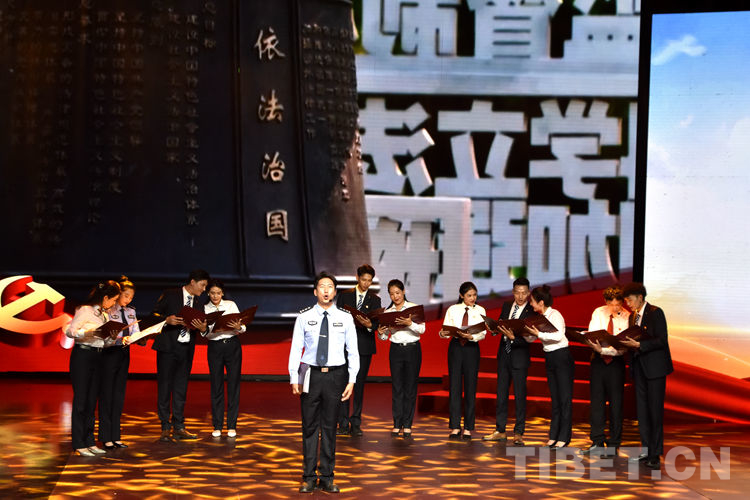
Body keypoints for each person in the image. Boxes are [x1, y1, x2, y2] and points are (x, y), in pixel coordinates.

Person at [289, 271, 359, 493]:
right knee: (309, 427)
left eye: (330, 287)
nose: (326, 290)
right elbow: (296, 349)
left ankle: (327, 476)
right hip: (310, 374)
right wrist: (294, 377)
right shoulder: (304, 317)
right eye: (322, 286)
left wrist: (352, 379)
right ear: (315, 291)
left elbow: (353, 351)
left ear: (335, 292)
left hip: (336, 376)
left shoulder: (345, 317)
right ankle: (309, 477)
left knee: (330, 427)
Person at [151, 269, 210, 441]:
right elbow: (153, 315)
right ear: (192, 282)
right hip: (168, 347)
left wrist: (202, 328)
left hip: (186, 349)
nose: (204, 289)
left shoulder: (199, 303)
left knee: (180, 388)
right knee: (164, 386)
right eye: (202, 285)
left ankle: (179, 426)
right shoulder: (171, 294)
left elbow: (202, 327)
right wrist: (166, 320)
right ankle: (165, 427)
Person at [620, 282, 673, 470]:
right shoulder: (633, 316)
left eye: (630, 300)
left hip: (655, 369)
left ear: (640, 297)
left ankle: (655, 454)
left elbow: (662, 340)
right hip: (639, 368)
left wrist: (640, 345)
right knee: (642, 411)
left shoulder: (655, 312)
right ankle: (646, 449)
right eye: (626, 301)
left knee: (654, 411)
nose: (628, 304)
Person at [66, 280, 121, 456]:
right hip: (82, 356)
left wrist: (112, 337)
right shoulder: (85, 310)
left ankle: (89, 441)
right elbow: (70, 331)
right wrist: (87, 333)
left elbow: (105, 342)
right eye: (113, 300)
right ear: (105, 298)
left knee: (91, 401)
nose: (114, 304)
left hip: (98, 356)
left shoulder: (104, 315)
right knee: (81, 400)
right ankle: (79, 443)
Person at [484, 277, 535, 445]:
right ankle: (500, 430)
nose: (520, 297)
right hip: (504, 355)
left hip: (519, 356)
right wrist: (493, 329)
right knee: (501, 394)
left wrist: (514, 338)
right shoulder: (506, 306)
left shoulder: (532, 311)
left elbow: (530, 338)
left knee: (520, 396)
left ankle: (519, 433)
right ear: (513, 292)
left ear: (528, 293)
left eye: (524, 293)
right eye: (517, 293)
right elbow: (501, 324)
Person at [580, 285, 629, 456]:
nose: (615, 308)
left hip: (616, 363)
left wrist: (606, 350)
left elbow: (624, 347)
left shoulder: (627, 317)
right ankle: (597, 441)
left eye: (618, 304)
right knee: (597, 403)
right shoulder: (598, 312)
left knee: (616, 404)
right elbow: (593, 335)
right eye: (611, 304)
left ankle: (614, 443)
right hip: (598, 362)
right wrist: (598, 348)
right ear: (606, 302)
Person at [524, 285, 573, 449]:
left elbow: (558, 335)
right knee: (555, 398)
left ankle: (564, 437)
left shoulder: (555, 314)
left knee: (564, 398)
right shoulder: (539, 317)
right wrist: (524, 333)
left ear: (541, 302)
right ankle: (554, 436)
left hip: (561, 356)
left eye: (532, 301)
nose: (531, 304)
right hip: (550, 357)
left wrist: (538, 334)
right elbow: (533, 338)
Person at [336, 264, 380, 436]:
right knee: (343, 383)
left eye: (369, 280)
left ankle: (356, 423)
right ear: (357, 278)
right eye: (363, 279)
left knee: (359, 385)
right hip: (344, 346)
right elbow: (336, 318)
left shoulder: (375, 299)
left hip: (364, 347)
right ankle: (343, 423)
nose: (366, 283)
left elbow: (376, 324)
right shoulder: (344, 296)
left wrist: (369, 325)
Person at [377, 279, 425, 438]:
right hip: (396, 350)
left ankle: (408, 424)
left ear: (403, 291)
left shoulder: (413, 308)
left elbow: (422, 329)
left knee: (410, 388)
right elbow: (384, 337)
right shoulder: (388, 312)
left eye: (397, 292)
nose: (395, 296)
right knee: (397, 387)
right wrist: (381, 333)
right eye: (392, 294)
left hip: (412, 349)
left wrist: (410, 323)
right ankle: (397, 424)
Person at [439, 281, 486, 440]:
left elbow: (482, 333)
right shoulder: (452, 309)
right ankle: (455, 426)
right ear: (461, 295)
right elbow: (446, 329)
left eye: (474, 295)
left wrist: (471, 336)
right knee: (455, 387)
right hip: (456, 348)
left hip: (472, 348)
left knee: (471, 387)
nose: (473, 298)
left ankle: (468, 428)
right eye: (469, 295)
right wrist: (443, 333)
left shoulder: (480, 310)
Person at [99, 276, 140, 450]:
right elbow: (103, 333)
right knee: (107, 395)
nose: (128, 300)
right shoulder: (109, 309)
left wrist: (139, 337)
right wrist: (116, 338)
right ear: (119, 294)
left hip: (124, 353)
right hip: (109, 353)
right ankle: (105, 436)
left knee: (118, 395)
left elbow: (135, 331)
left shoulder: (131, 312)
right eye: (126, 296)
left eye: (131, 297)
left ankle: (116, 436)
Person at [203, 279, 245, 438]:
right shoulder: (204, 308)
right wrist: (211, 329)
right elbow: (204, 333)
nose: (215, 296)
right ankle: (218, 425)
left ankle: (232, 426)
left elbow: (242, 327)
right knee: (216, 386)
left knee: (233, 385)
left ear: (223, 293)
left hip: (232, 345)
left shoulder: (230, 305)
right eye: (212, 293)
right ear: (208, 293)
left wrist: (239, 327)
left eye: (218, 293)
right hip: (215, 347)